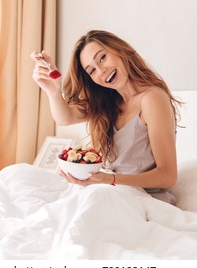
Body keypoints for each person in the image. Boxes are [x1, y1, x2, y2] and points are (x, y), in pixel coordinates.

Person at [31, 30, 183, 204]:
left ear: (120, 50)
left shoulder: (152, 99)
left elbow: (168, 176)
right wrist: (53, 91)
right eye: (92, 71)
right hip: (114, 194)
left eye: (102, 58)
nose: (101, 71)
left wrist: (109, 179)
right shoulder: (109, 103)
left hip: (145, 200)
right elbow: (64, 118)